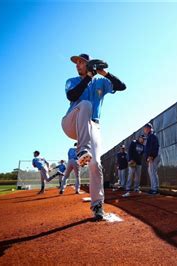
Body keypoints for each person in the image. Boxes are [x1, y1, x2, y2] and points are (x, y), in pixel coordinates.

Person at [61, 53, 126, 220]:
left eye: (81, 63)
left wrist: (104, 73)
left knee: (96, 164)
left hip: (92, 126)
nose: (77, 65)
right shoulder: (72, 81)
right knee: (86, 104)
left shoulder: (100, 82)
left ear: (88, 64)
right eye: (77, 63)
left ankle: (97, 205)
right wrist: (88, 76)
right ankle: (82, 150)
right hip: (72, 122)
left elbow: (122, 86)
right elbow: (72, 96)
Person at [143, 123, 160, 194]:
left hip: (153, 156)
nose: (145, 130)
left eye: (146, 128)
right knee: (151, 172)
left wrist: (151, 156)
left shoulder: (152, 136)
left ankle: (155, 189)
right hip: (152, 156)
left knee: (152, 172)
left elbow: (155, 146)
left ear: (150, 128)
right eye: (145, 128)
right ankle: (154, 188)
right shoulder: (149, 136)